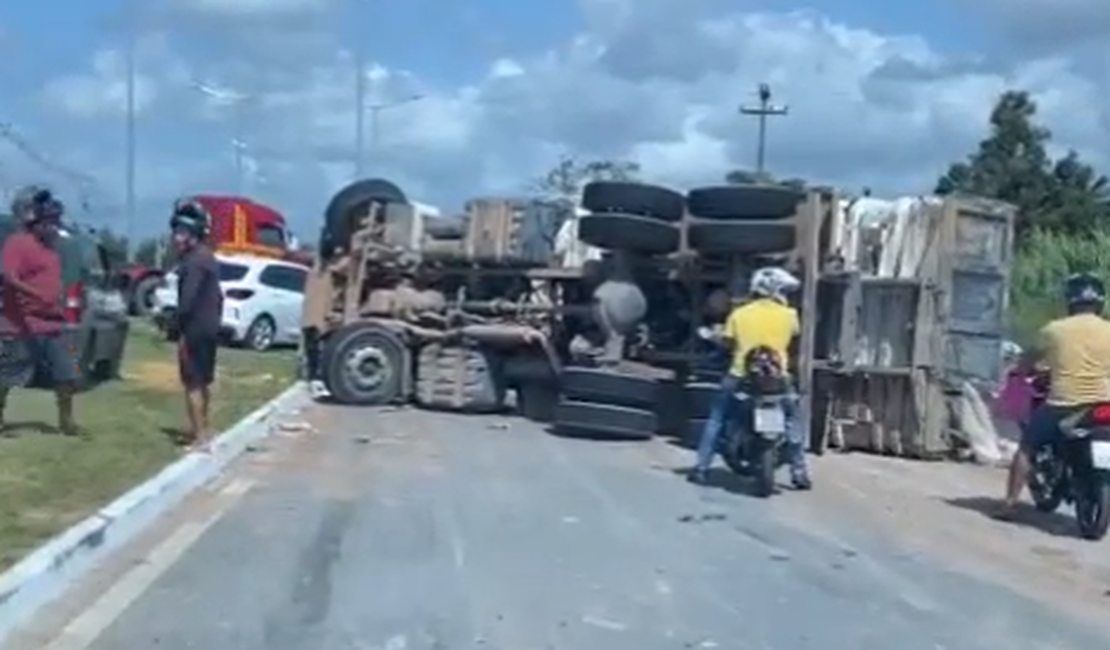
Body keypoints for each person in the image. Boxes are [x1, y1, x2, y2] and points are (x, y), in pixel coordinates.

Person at [996, 272, 1110, 518]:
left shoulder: (1053, 330)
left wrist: (1020, 370)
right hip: (1103, 406)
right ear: (1100, 302)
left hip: (1063, 406)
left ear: (1070, 301)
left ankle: (1010, 504)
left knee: (1026, 447)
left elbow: (1029, 361)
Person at [687, 267, 812, 490]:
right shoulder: (790, 316)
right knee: (793, 421)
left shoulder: (739, 314)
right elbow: (792, 339)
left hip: (740, 377)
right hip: (777, 379)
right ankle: (799, 472)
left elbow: (726, 343)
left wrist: (713, 338)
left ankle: (701, 468)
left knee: (717, 419)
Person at [0, 186, 82, 436]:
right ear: (37, 222)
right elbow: (8, 277)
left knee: (67, 372)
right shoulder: (18, 244)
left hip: (52, 324)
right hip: (20, 322)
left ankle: (66, 421)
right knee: (9, 374)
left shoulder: (52, 250)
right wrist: (37, 294)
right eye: (51, 222)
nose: (55, 227)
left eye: (57, 221)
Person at [170, 201, 223, 451]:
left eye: (181, 232)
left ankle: (199, 436)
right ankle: (204, 429)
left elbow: (187, 302)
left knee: (192, 383)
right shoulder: (207, 257)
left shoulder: (194, 262)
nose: (176, 238)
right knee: (203, 381)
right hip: (209, 328)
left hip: (194, 330)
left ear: (194, 234)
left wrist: (174, 325)